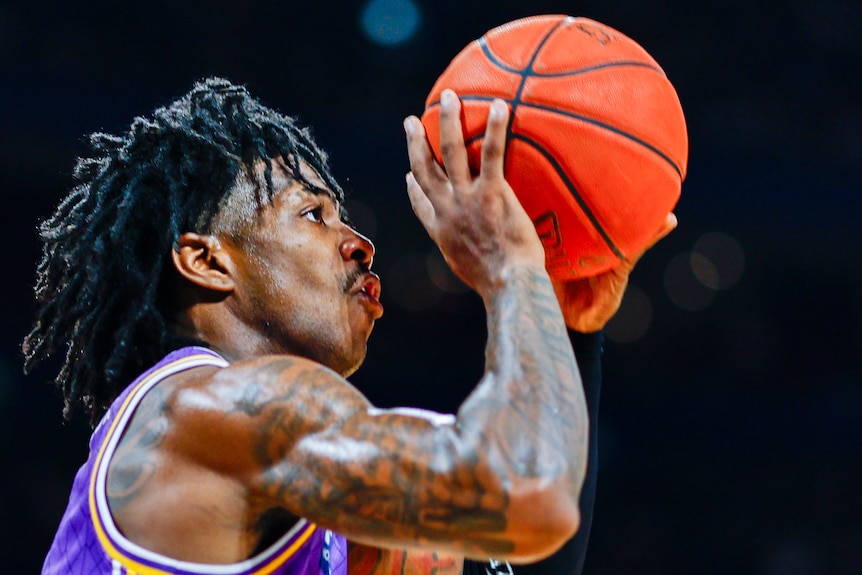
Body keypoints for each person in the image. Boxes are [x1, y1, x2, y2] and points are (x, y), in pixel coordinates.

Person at [24, 77, 675, 575]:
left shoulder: (295, 483)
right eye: (313, 214)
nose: (361, 243)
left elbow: (524, 544)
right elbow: (531, 495)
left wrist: (570, 328)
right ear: (207, 260)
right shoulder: (219, 407)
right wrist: (511, 272)